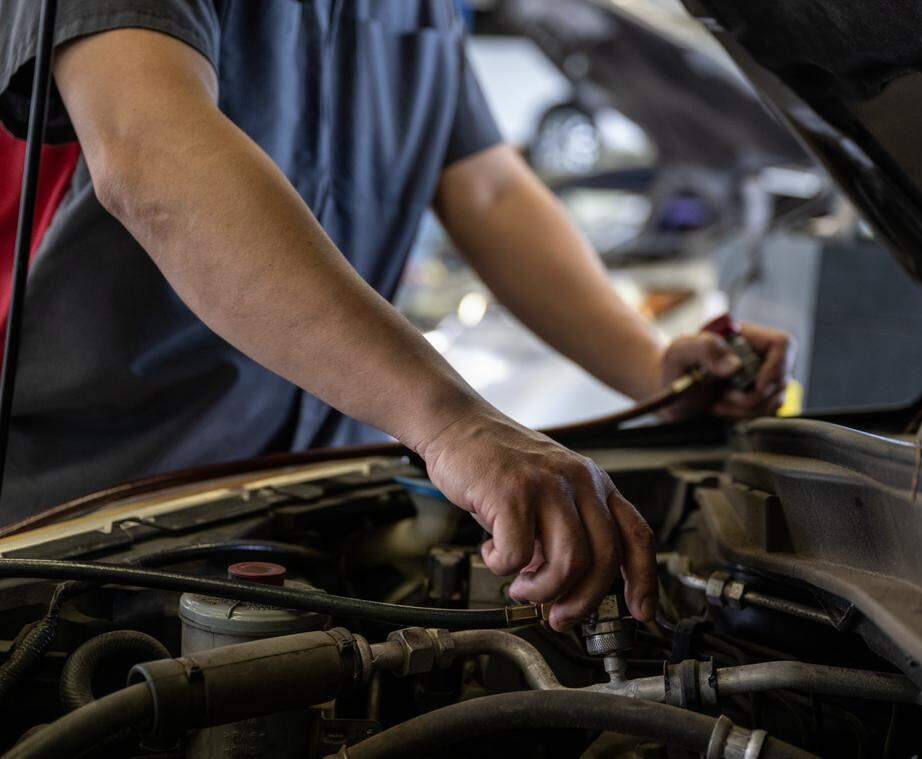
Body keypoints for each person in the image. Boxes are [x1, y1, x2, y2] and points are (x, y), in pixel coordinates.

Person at [0, 0, 792, 631]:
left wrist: (649, 367)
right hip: (89, 524)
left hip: (314, 509)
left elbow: (489, 191)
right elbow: (150, 151)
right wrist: (453, 423)